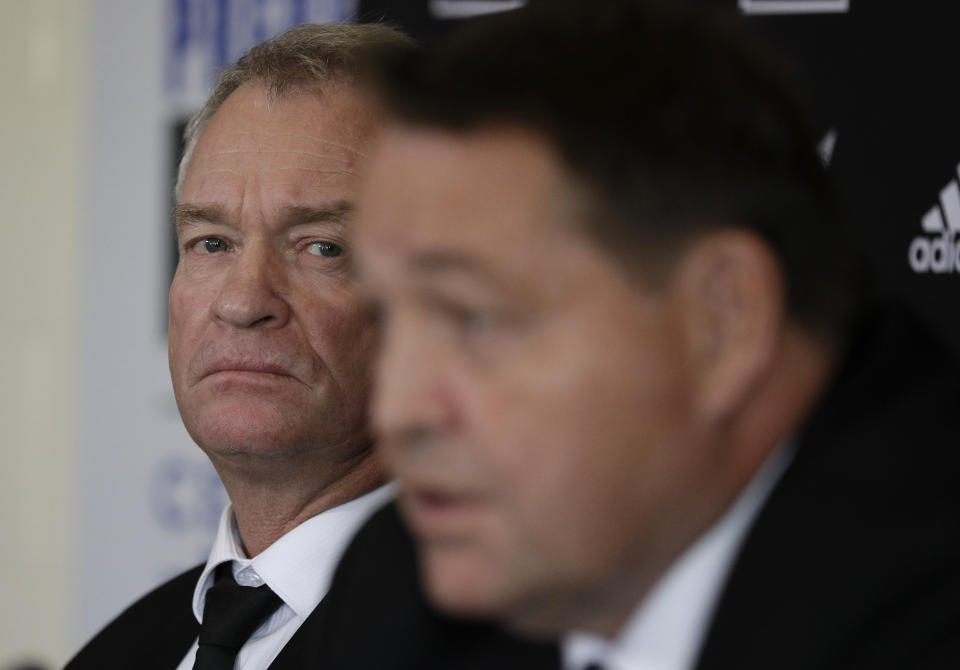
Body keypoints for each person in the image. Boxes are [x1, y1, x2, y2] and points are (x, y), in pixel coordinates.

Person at [352, 2, 960, 669]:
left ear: (722, 324)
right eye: (385, 318)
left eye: (475, 318)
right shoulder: (398, 590)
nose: (397, 413)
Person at [66, 23, 557, 670]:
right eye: (211, 243)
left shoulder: (532, 641)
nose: (243, 303)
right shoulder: (119, 652)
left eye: (323, 247)